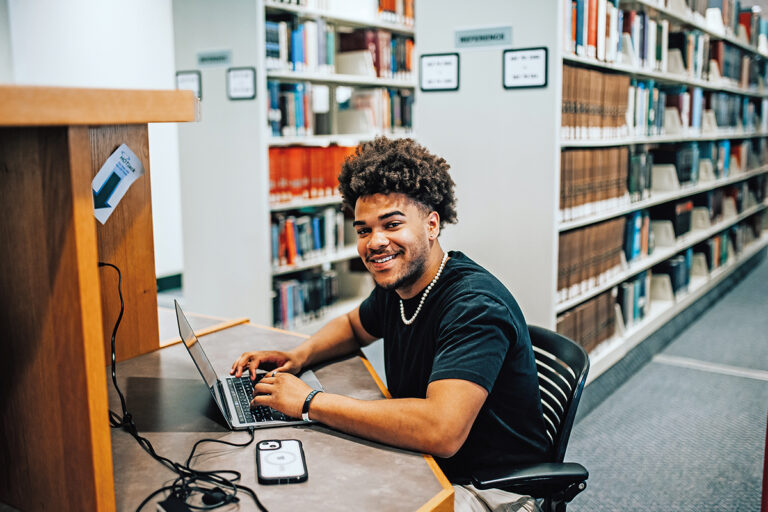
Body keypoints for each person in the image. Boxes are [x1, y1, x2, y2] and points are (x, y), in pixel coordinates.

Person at [231, 137, 548, 511]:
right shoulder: (401, 282)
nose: (375, 242)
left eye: (392, 224)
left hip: (489, 489)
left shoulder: (473, 306)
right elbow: (353, 326)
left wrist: (310, 402)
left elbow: (441, 430)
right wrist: (297, 356)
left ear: (432, 225)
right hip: (430, 462)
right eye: (364, 230)